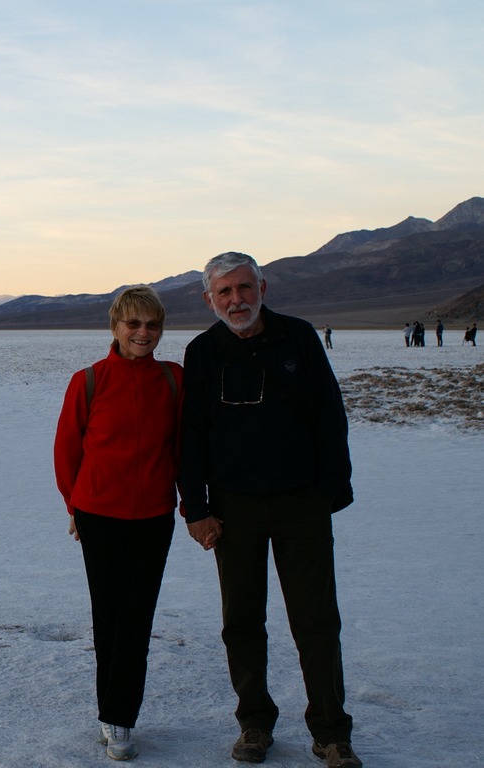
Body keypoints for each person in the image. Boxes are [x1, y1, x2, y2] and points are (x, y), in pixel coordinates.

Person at [179, 252, 361, 768]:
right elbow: (190, 436)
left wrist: (328, 492)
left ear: (263, 288)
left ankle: (331, 732)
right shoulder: (203, 351)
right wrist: (196, 508)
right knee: (241, 620)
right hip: (233, 507)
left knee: (316, 619)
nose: (236, 300)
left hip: (301, 502)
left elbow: (330, 416)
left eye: (244, 288)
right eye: (225, 292)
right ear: (210, 300)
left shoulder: (297, 337)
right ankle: (254, 723)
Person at [54, 285, 183, 762]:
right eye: (134, 324)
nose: (143, 333)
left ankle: (120, 716)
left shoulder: (173, 380)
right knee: (108, 616)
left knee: (136, 617)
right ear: (115, 327)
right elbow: (67, 450)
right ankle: (112, 716)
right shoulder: (88, 381)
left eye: (152, 325)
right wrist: (74, 506)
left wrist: (192, 505)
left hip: (153, 517)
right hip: (99, 516)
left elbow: (184, 449)